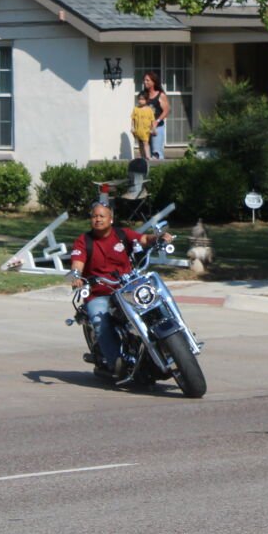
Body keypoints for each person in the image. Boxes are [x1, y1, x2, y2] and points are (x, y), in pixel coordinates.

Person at [67, 200, 151, 376]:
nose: (97, 219)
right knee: (100, 322)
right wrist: (76, 276)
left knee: (152, 305)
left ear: (111, 219)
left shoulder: (122, 234)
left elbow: (143, 239)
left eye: (102, 216)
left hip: (126, 289)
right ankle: (116, 363)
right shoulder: (84, 241)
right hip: (99, 294)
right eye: (94, 216)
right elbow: (77, 263)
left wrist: (158, 238)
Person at [139, 72, 168, 160]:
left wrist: (157, 121)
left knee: (156, 154)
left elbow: (166, 111)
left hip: (157, 128)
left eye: (147, 80)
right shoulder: (144, 95)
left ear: (154, 82)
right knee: (145, 156)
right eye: (144, 80)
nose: (145, 82)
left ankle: (159, 172)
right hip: (144, 129)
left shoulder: (160, 95)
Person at [130, 92, 156, 161]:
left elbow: (152, 120)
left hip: (146, 130)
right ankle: (143, 157)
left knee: (145, 143)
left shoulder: (149, 110)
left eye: (142, 99)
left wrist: (153, 129)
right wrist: (132, 127)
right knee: (140, 144)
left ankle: (147, 156)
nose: (140, 101)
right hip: (138, 130)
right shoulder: (136, 109)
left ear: (146, 100)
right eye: (139, 99)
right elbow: (133, 119)